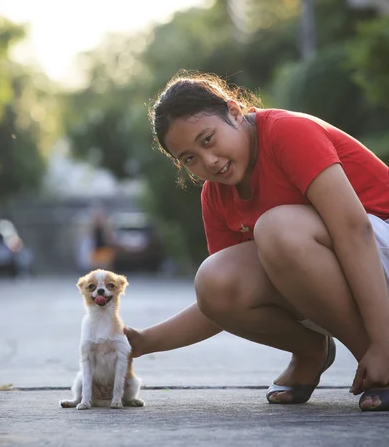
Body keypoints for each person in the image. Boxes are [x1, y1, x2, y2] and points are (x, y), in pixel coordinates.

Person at [124, 71, 389, 412]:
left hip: (377, 243)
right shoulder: (216, 196)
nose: (209, 161)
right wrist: (141, 343)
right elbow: (226, 298)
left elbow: (356, 230)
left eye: (208, 140)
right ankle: (310, 352)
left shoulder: (287, 132)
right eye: (190, 159)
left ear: (234, 112)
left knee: (276, 229)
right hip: (356, 267)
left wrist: (380, 342)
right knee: (214, 279)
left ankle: (379, 354)